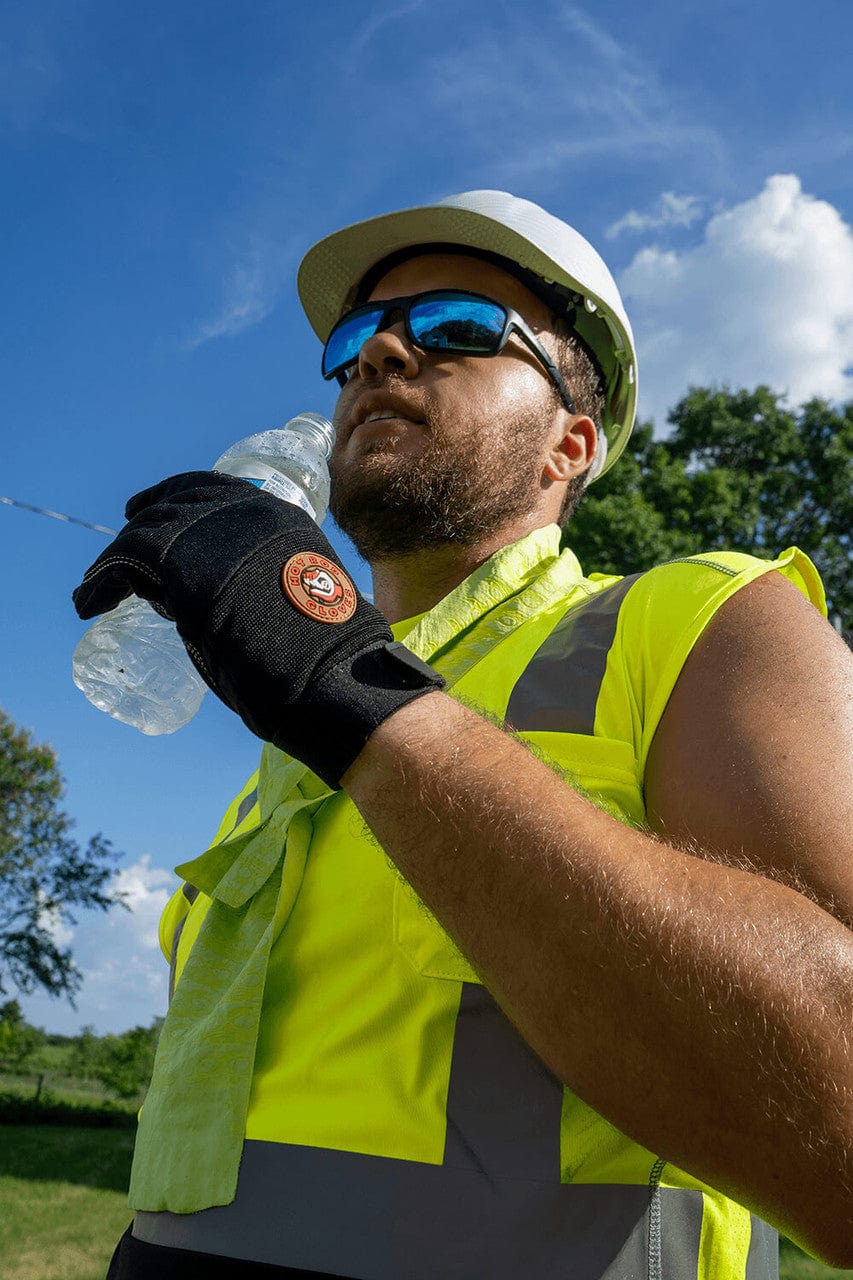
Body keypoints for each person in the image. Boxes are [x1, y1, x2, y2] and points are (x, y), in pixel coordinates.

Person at [74, 191, 853, 1280]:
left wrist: (347, 685)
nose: (381, 352)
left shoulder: (702, 617)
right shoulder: (287, 755)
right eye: (355, 343)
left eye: (453, 330)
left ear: (567, 447)